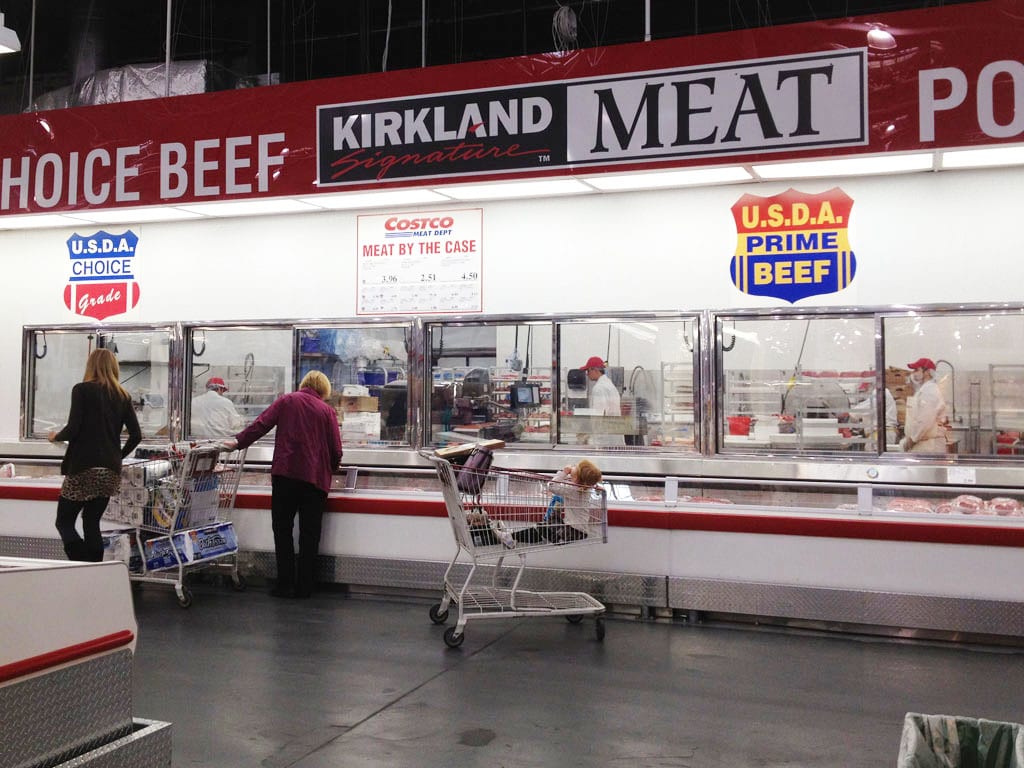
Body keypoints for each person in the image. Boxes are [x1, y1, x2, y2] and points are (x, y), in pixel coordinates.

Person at [223, 371, 343, 598]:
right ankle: (305, 587)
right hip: (315, 481)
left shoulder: (287, 400)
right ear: (324, 389)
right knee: (310, 534)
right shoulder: (327, 411)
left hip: (285, 475)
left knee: (282, 530)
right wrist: (332, 467)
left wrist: (237, 442)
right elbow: (336, 449)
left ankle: (284, 584)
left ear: (304, 384)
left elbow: (261, 425)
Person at [47, 349, 142, 562]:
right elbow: (136, 435)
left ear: (90, 366)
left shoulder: (81, 390)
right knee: (91, 522)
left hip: (83, 468)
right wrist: (117, 455)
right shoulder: (122, 395)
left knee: (64, 522)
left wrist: (55, 436)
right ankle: (95, 570)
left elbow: (73, 429)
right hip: (110, 470)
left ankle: (81, 564)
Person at [510, 459, 604, 546]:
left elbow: (551, 486)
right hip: (576, 531)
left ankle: (510, 537)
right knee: (543, 529)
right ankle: (510, 537)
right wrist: (596, 486)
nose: (573, 466)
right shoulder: (584, 488)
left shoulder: (573, 490)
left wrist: (564, 473)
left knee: (545, 526)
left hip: (572, 531)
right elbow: (591, 483)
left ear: (577, 479)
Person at [901, 358, 949, 453]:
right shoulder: (923, 390)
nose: (913, 374)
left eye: (916, 370)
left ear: (927, 372)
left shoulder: (929, 391)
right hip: (923, 444)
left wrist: (912, 440)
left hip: (928, 446)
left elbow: (924, 420)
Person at [579, 355, 625, 447]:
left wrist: (591, 440)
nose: (587, 374)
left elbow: (598, 417)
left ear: (595, 370)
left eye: (588, 371)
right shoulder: (609, 385)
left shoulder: (599, 388)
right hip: (614, 438)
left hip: (605, 440)